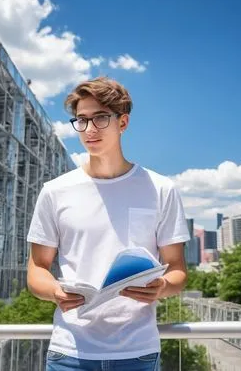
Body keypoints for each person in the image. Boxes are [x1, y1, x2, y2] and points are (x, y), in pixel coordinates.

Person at [27, 77, 189, 371]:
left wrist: (162, 286)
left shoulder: (161, 189)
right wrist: (54, 292)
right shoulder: (55, 191)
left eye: (100, 118)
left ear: (122, 123)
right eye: (81, 120)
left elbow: (177, 269)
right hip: (69, 352)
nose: (89, 130)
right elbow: (37, 269)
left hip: (138, 353)